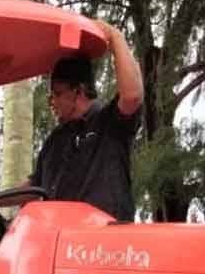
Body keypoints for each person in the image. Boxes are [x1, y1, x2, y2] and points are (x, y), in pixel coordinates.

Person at [27, 21, 145, 221]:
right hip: (60, 239)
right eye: (50, 97)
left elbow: (132, 96)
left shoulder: (110, 122)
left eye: (56, 94)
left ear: (79, 91)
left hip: (105, 243)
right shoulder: (54, 141)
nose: (52, 102)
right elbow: (33, 187)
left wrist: (115, 36)